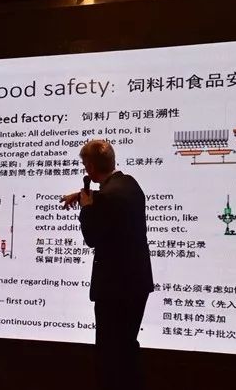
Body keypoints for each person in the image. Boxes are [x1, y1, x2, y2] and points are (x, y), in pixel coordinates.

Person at [61, 139, 153, 390]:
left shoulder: (108, 198)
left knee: (109, 354)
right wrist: (83, 195)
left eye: (85, 164)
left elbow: (92, 237)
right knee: (127, 348)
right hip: (137, 285)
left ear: (90, 167)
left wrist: (86, 208)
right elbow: (110, 200)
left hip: (115, 289)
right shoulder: (129, 184)